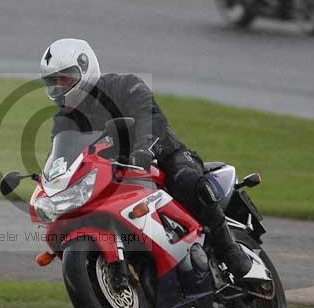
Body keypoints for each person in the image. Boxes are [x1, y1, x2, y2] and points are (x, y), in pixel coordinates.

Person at [39, 38, 252, 279]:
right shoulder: (63, 120)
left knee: (190, 184)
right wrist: (52, 182)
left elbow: (149, 116)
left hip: (162, 157)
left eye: (64, 79)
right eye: (52, 83)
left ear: (85, 69)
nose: (58, 87)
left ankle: (229, 249)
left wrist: (143, 148)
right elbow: (62, 155)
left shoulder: (123, 86)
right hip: (115, 176)